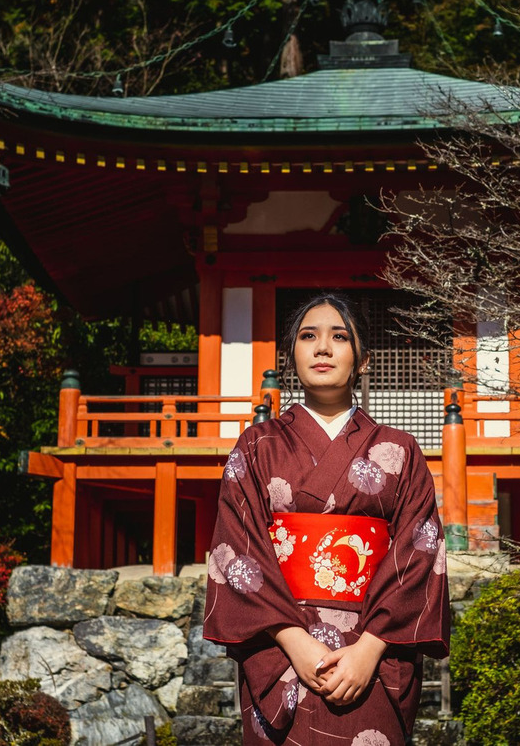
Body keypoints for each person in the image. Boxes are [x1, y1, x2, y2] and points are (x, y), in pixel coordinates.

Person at [203, 292, 451, 746]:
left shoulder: (400, 451)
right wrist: (295, 643)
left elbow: (420, 551)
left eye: (339, 337)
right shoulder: (256, 447)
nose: (322, 348)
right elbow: (237, 552)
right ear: (291, 354)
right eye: (308, 336)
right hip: (281, 652)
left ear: (363, 360)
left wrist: (369, 650)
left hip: (373, 654)